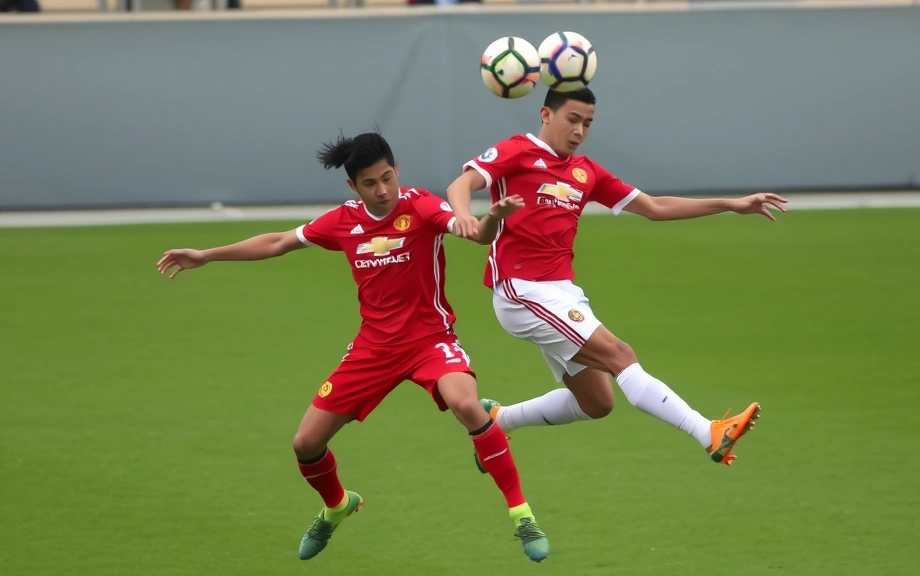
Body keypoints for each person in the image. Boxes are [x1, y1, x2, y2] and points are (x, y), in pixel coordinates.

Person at [156, 131, 549, 562]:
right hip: (371, 350)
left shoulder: (420, 205)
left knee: (468, 407)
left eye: (387, 178)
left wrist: (492, 218)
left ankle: (522, 514)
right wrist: (208, 255)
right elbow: (279, 242)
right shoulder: (343, 220)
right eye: (370, 183)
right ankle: (338, 505)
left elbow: (471, 232)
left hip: (429, 342)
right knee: (305, 443)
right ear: (353, 187)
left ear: (397, 171)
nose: (382, 190)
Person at [446, 88, 787, 469]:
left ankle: (498, 420)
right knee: (620, 355)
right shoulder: (516, 150)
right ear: (546, 114)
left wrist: (731, 204)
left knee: (597, 402)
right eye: (572, 119)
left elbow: (655, 207)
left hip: (561, 293)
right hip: (520, 290)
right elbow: (461, 184)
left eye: (587, 123)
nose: (579, 130)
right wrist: (463, 214)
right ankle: (708, 431)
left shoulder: (586, 171)